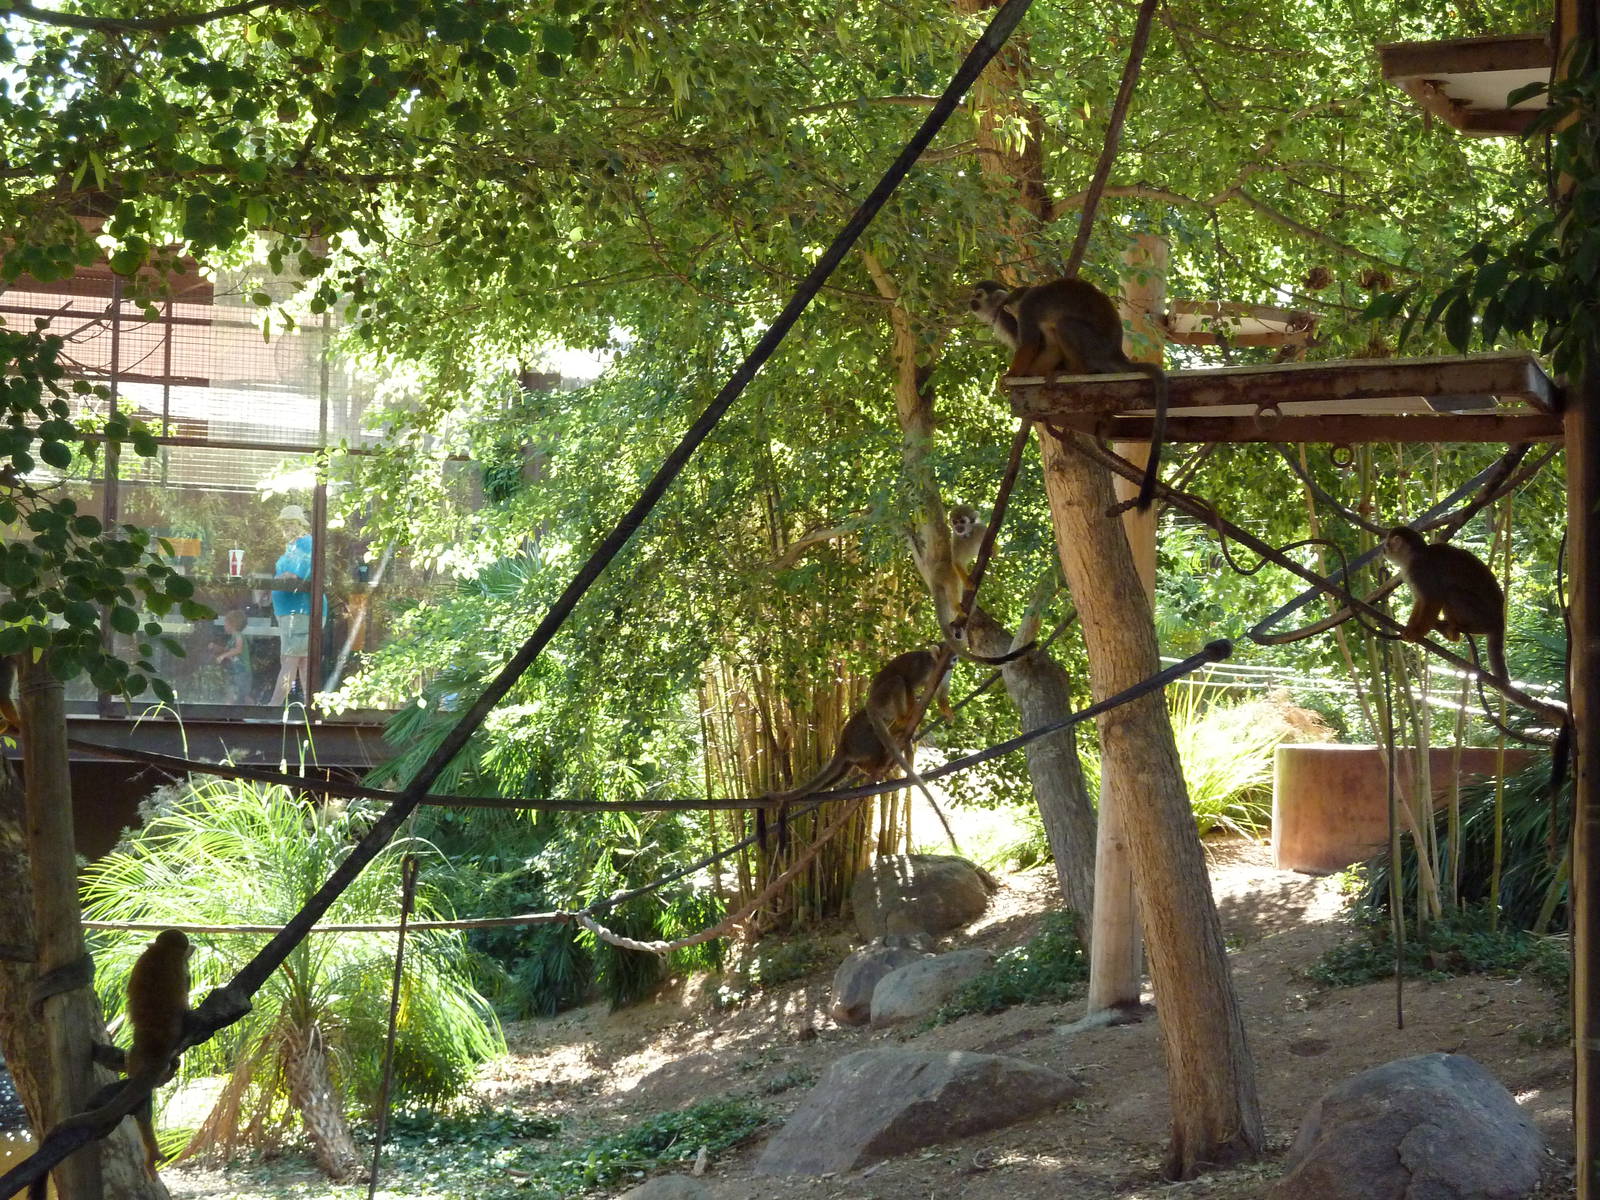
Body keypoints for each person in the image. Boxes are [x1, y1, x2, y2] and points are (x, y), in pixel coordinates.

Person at [269, 504, 319, 706]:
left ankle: (273, 708)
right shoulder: (291, 548)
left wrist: (292, 576)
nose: (286, 528)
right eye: (283, 524)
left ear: (300, 525)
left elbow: (305, 571)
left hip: (300, 611)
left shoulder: (306, 543)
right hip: (290, 611)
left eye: (290, 524)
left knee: (290, 660)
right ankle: (311, 709)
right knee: (301, 662)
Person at [214, 609, 252, 704]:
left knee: (242, 696)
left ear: (233, 624)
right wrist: (216, 647)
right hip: (236, 671)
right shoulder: (232, 638)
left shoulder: (239, 636)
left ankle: (255, 710)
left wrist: (222, 656)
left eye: (226, 623)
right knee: (235, 694)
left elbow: (238, 649)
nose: (224, 626)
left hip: (242, 671)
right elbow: (228, 650)